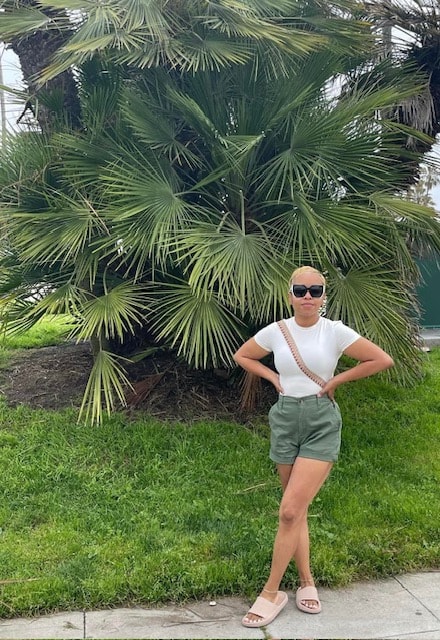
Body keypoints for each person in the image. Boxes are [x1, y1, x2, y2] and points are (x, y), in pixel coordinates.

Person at [233, 266, 394, 628]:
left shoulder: (334, 332)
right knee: (297, 509)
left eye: (315, 290)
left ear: (324, 296)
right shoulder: (277, 331)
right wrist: (273, 377)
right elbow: (243, 356)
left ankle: (271, 592)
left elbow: (381, 359)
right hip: (286, 419)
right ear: (289, 294)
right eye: (301, 289)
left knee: (289, 510)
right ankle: (307, 582)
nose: (308, 296)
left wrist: (338, 378)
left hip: (321, 420)